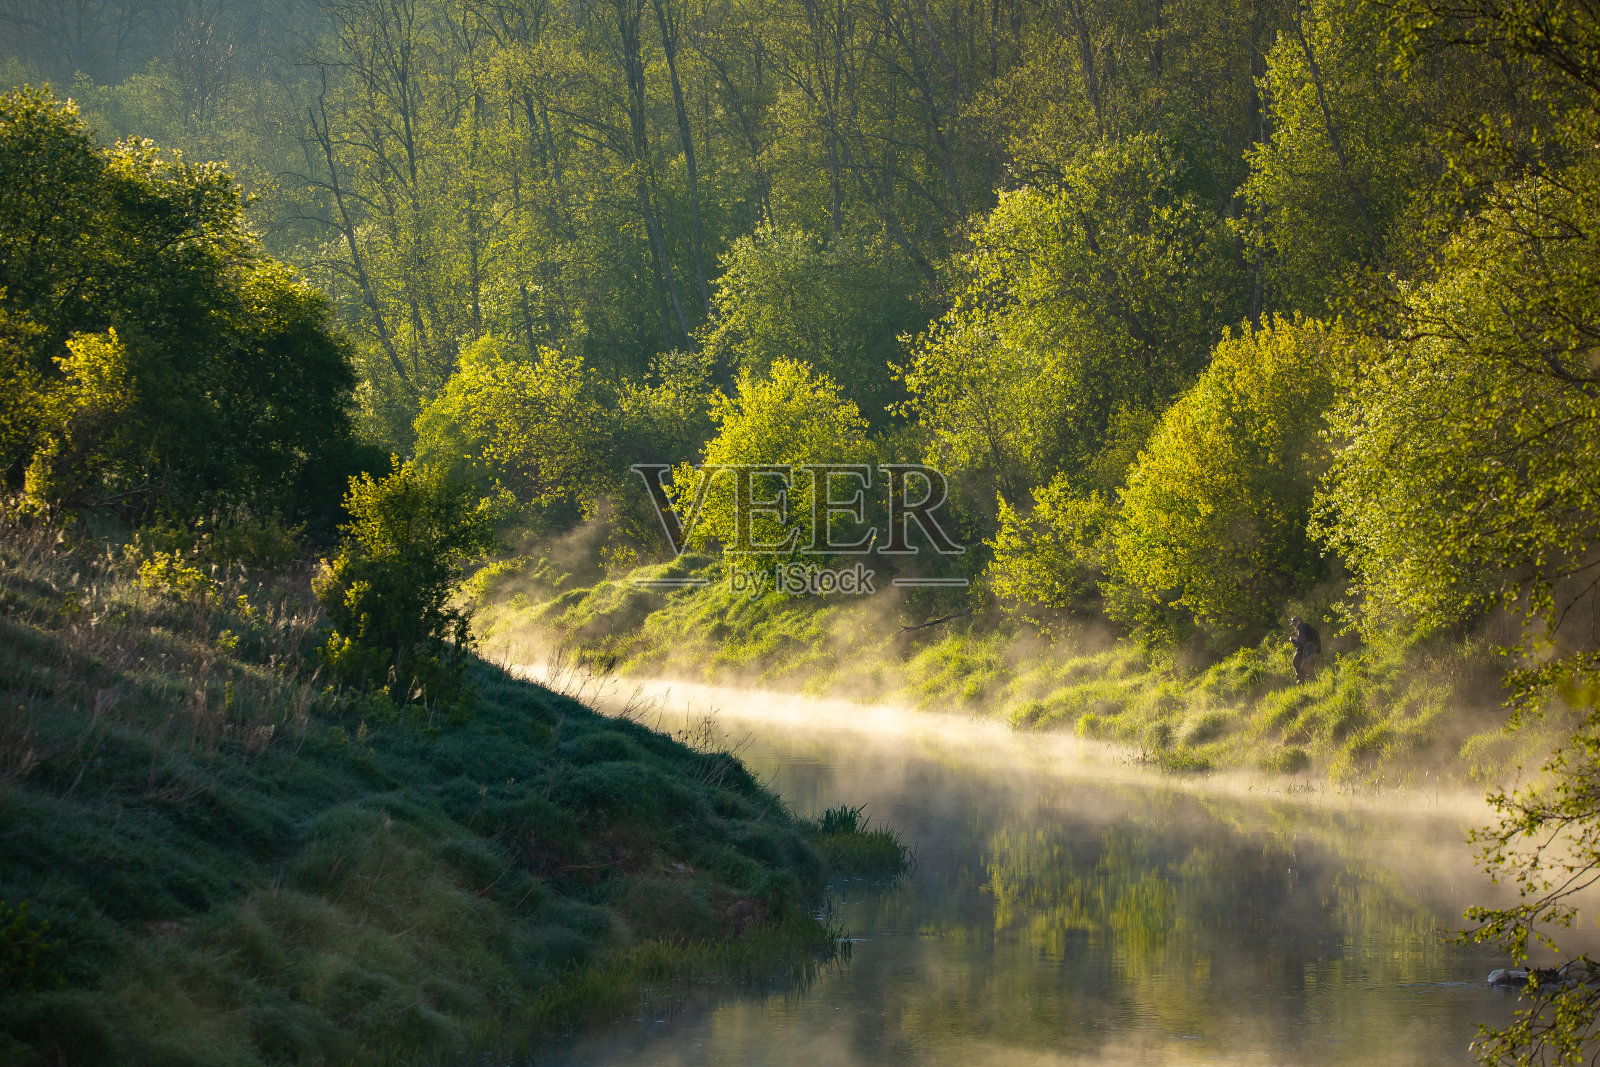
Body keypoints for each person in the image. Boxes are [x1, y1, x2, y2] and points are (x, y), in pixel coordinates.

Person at [1289, 616, 1321, 683]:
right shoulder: (1309, 628)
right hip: (1311, 654)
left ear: (1298, 621)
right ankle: (1318, 687)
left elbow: (1301, 644)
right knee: (1311, 673)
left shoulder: (1301, 629)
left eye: (1294, 622)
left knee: (1299, 673)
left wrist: (1292, 640)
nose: (1293, 625)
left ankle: (1301, 687)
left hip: (1302, 654)